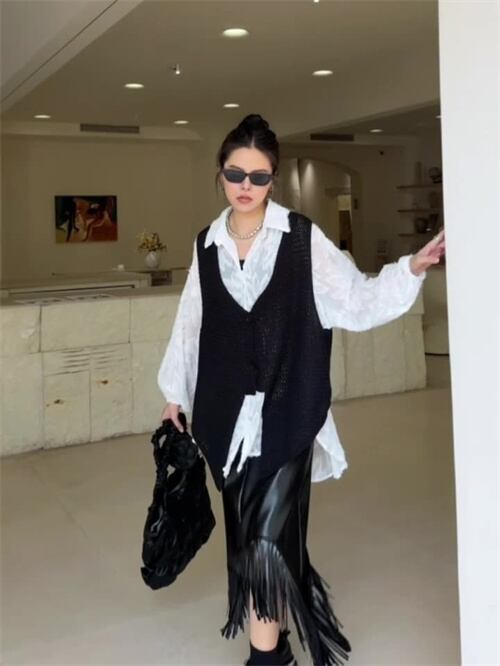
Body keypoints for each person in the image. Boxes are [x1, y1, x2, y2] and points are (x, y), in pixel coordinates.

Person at [157, 114, 446, 666]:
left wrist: (409, 269)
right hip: (224, 421)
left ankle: (266, 659)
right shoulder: (206, 245)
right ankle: (279, 647)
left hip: (288, 414)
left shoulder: (301, 239)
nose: (246, 186)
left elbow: (354, 298)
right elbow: (190, 324)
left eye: (259, 176)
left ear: (274, 179)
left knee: (266, 543)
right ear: (220, 174)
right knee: (250, 538)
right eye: (235, 174)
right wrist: (176, 392)